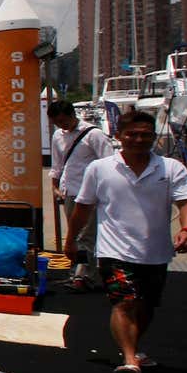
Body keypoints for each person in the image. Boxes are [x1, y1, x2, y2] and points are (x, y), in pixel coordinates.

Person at [64, 111, 187, 373]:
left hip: (156, 251)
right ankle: (129, 360)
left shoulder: (170, 168)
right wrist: (71, 239)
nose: (139, 140)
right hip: (113, 251)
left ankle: (134, 349)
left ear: (153, 137)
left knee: (146, 307)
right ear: (118, 136)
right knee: (125, 303)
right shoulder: (100, 169)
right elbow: (83, 207)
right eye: (132, 134)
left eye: (146, 135)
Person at [47, 99, 114, 289]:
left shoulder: (94, 134)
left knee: (86, 235)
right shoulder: (58, 135)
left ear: (72, 115)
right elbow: (57, 164)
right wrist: (54, 186)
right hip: (70, 191)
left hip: (90, 193)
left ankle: (84, 276)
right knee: (74, 234)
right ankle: (79, 271)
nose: (62, 126)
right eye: (57, 123)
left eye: (64, 121)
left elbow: (109, 162)